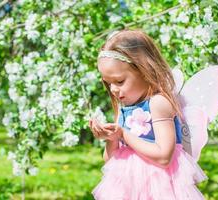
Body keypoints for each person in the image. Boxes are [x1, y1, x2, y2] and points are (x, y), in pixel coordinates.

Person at [89, 29, 208, 200]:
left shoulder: (158, 103)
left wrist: (123, 134)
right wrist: (112, 138)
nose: (114, 89)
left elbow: (163, 156)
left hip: (161, 187)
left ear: (144, 70)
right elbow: (110, 161)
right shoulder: (124, 108)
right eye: (108, 84)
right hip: (128, 188)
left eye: (120, 81)